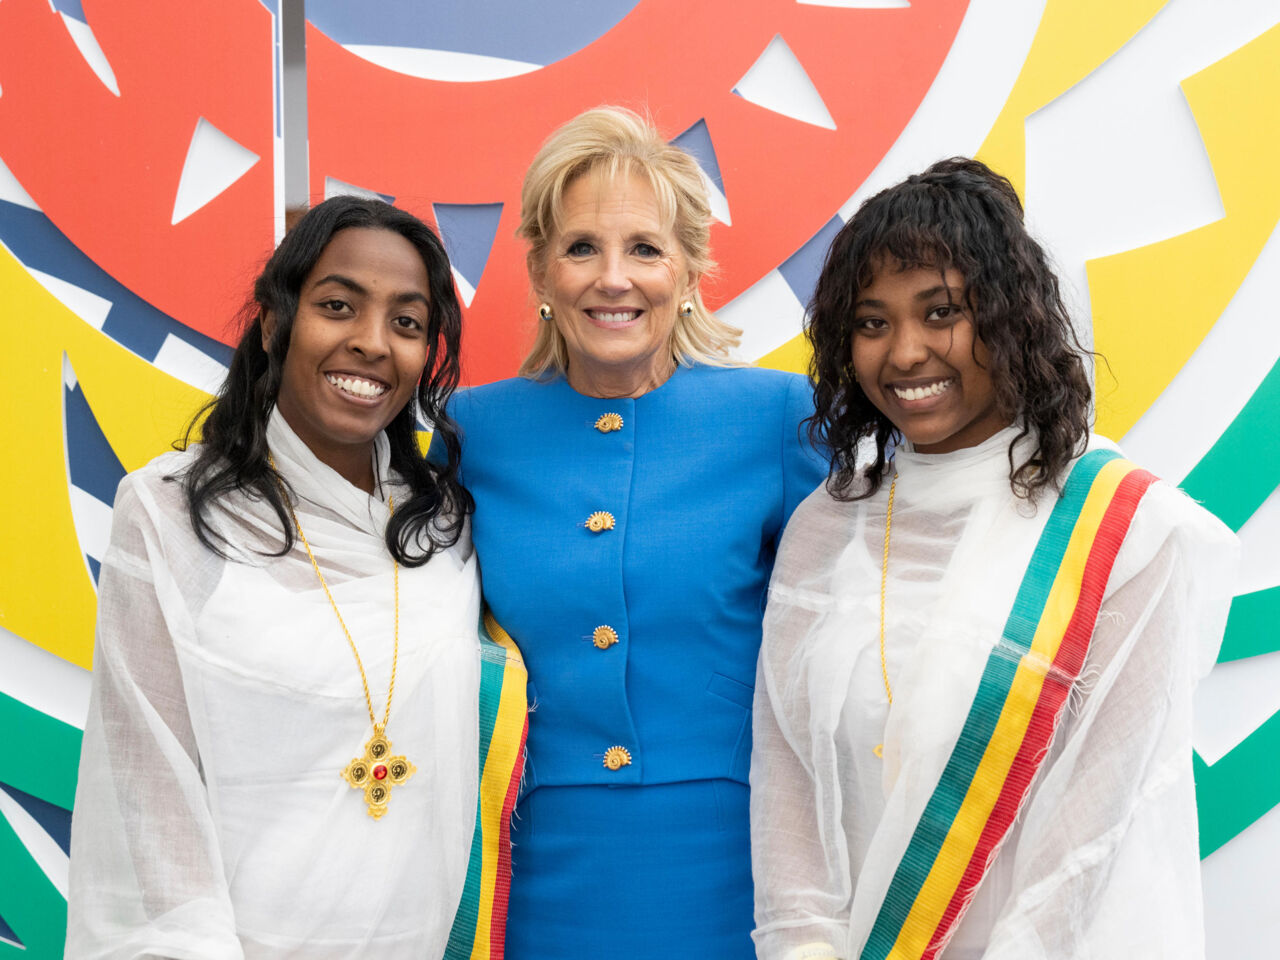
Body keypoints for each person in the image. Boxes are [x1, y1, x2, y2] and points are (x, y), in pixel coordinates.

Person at [750, 158, 1237, 960]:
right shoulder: (826, 526)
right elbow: (790, 788)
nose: (905, 353)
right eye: (872, 323)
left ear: (1010, 318)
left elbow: (1092, 839)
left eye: (941, 313)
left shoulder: (1129, 532)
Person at [66, 196, 525, 959]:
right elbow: (149, 797)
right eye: (339, 306)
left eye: (407, 323)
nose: (373, 344)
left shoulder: (444, 529)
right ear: (277, 322)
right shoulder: (169, 516)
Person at [438, 106, 827, 957]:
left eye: (645, 249)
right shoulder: (468, 432)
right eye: (582, 248)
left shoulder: (779, 417)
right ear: (540, 270)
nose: (613, 277)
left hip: (739, 863)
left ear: (690, 270)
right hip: (528, 868)